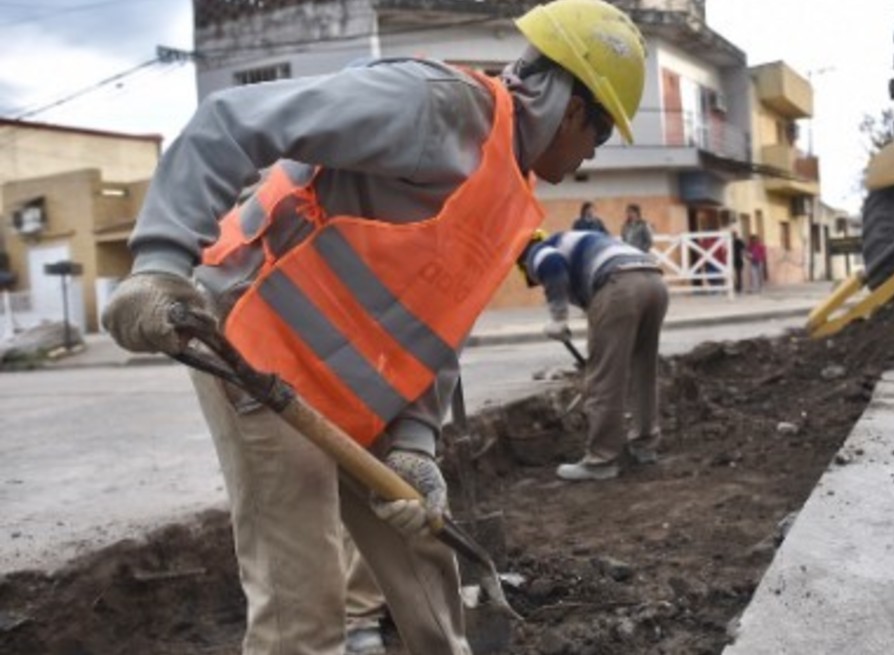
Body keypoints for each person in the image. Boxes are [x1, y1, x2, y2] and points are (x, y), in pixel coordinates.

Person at [100, 1, 646, 653]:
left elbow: (438, 329)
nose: (589, 157)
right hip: (255, 339)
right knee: (303, 604)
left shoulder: (508, 191)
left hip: (350, 382)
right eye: (600, 133)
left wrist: (414, 441)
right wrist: (160, 261)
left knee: (422, 546)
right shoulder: (433, 107)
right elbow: (232, 121)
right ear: (572, 106)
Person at [520, 230, 668, 481]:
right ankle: (644, 446)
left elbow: (551, 264)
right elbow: (595, 299)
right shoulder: (578, 240)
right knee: (644, 369)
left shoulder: (535, 250)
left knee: (605, 378)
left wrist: (558, 318)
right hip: (653, 282)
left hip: (619, 284)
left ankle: (601, 459)